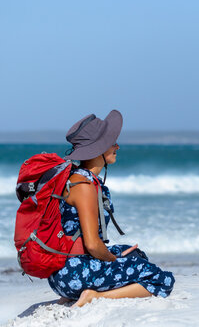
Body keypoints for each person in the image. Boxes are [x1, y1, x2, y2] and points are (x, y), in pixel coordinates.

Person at [48, 110, 175, 307]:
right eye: (111, 142)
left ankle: (75, 293)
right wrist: (113, 260)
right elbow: (92, 244)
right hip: (73, 273)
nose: (117, 146)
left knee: (136, 255)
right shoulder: (84, 186)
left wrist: (116, 256)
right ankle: (93, 296)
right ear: (97, 149)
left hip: (62, 270)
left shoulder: (74, 177)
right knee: (162, 279)